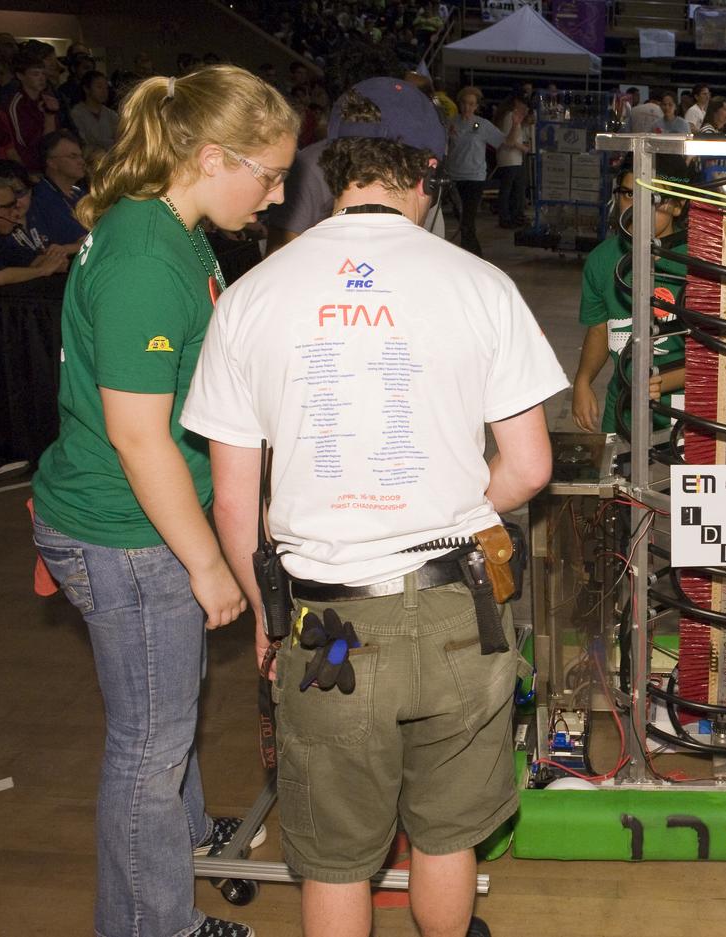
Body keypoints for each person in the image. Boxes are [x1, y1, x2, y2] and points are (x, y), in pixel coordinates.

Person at [179, 76, 567, 937]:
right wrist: (467, 506)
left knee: (336, 856)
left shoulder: (250, 298)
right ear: (428, 174)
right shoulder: (480, 286)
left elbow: (236, 498)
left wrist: (264, 614)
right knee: (443, 836)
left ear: (332, 169)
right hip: (460, 611)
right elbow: (531, 466)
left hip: (326, 629)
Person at [30, 65, 297, 937]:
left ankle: (178, 836)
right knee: (148, 742)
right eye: (267, 173)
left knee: (161, 717)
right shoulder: (148, 254)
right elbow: (139, 436)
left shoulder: (170, 228)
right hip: (131, 533)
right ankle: (154, 924)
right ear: (212, 155)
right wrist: (208, 562)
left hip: (136, 522)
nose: (280, 191)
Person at [573, 155, 692, 434]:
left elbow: (719, 353)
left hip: (687, 417)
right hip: (623, 411)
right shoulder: (601, 260)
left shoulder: (699, 262)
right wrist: (583, 380)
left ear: (678, 206)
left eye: (655, 198)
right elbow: (601, 329)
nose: (639, 207)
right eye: (630, 193)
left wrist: (662, 380)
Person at [444, 85, 521, 256]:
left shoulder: (483, 125)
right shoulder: (451, 123)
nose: (467, 107)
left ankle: (473, 255)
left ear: (476, 106)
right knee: (461, 220)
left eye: (471, 104)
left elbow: (506, 142)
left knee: (468, 220)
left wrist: (515, 125)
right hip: (455, 177)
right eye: (464, 103)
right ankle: (469, 254)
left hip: (474, 178)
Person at [0, 171, 67, 286]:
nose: (16, 213)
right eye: (8, 207)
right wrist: (42, 270)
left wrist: (55, 260)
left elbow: (29, 260)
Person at [29, 129, 88, 246]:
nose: (81, 161)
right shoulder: (41, 198)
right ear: (52, 162)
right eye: (73, 156)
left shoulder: (80, 193)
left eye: (81, 156)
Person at [7, 47, 60, 172]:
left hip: (50, 163)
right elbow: (26, 143)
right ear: (20, 76)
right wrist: (50, 116)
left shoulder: (48, 100)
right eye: (35, 74)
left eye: (43, 74)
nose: (42, 78)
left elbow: (55, 135)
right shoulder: (16, 104)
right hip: (31, 166)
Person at [495, 95, 531, 228]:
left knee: (516, 190)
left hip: (515, 158)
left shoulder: (513, 117)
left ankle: (515, 215)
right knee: (508, 190)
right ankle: (506, 217)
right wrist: (523, 148)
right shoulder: (509, 116)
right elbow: (509, 139)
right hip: (509, 158)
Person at [70, 69, 120, 151]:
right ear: (86, 89)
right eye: (99, 87)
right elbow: (82, 142)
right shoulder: (76, 113)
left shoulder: (111, 114)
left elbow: (119, 140)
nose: (104, 91)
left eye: (106, 87)